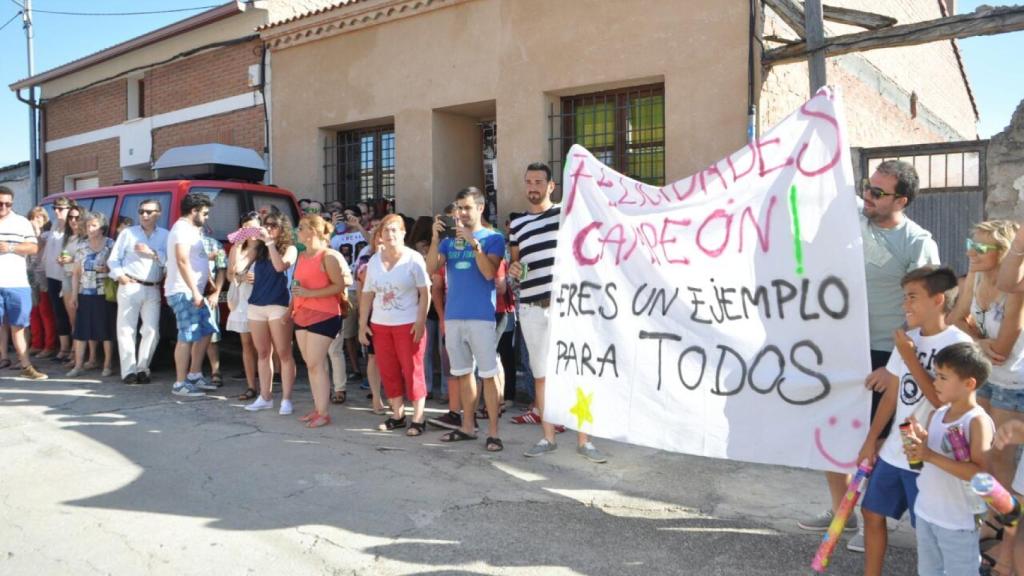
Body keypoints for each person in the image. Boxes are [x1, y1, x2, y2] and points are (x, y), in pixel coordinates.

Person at [799, 160, 940, 551]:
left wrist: (895, 365)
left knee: (874, 439)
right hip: (840, 346)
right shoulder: (851, 224)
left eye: (878, 193)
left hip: (885, 351)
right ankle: (839, 512)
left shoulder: (917, 242)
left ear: (902, 200)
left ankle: (872, 520)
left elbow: (925, 311)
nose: (868, 196)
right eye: (867, 187)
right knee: (832, 430)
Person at [855, 266, 971, 576]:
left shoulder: (958, 345)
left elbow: (942, 402)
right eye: (904, 297)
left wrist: (909, 356)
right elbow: (892, 395)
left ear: (937, 300)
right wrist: (870, 440)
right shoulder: (908, 339)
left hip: (931, 456)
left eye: (912, 297)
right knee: (871, 512)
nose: (905, 305)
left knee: (928, 531)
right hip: (895, 450)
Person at [512, 163, 607, 463]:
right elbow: (518, 264)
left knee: (578, 373)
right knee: (541, 377)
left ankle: (585, 440)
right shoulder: (517, 225)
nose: (533, 187)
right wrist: (514, 270)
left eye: (539, 181)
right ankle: (548, 437)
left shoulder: (566, 215)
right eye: (528, 181)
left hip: (565, 306)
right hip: (530, 307)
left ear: (552, 186)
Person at [903, 341, 994, 576]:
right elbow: (927, 461)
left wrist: (930, 455)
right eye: (936, 376)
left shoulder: (976, 421)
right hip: (927, 512)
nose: (935, 383)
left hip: (958, 522)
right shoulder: (937, 414)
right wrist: (918, 446)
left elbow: (979, 474)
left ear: (969, 383)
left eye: (943, 377)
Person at [427, 186, 505, 451]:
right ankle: (468, 426)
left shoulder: (494, 238)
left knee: (488, 375)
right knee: (462, 374)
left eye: (467, 207)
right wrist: (436, 240)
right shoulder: (449, 241)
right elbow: (430, 269)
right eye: (459, 207)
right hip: (454, 316)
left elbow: (488, 273)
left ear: (480, 208)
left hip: (481, 317)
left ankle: (493, 432)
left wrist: (474, 244)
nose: (461, 213)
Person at [359, 214, 431, 435]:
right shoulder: (374, 261)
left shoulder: (414, 258)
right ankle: (398, 415)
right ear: (379, 235)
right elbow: (367, 294)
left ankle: (418, 418)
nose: (389, 234)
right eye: (385, 230)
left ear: (402, 233)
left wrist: (420, 321)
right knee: (388, 370)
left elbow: (425, 292)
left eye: (394, 230)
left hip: (407, 324)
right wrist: (363, 324)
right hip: (380, 325)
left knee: (412, 370)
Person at [293, 214, 350, 428]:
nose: (297, 232)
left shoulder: (329, 256)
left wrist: (310, 292)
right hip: (302, 313)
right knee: (312, 365)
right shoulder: (301, 256)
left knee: (316, 364)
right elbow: (297, 286)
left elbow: (339, 286)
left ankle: (323, 412)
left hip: (325, 314)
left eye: (300, 228)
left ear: (313, 233)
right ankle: (318, 408)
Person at [108, 198, 168, 384]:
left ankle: (143, 367)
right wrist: (120, 277)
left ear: (158, 213)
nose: (144, 215)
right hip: (130, 284)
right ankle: (129, 371)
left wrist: (152, 253)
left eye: (149, 212)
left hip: (153, 287)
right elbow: (113, 259)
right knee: (126, 330)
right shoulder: (128, 233)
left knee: (151, 330)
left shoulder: (165, 235)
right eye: (141, 211)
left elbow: (169, 262)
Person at [164, 193, 219, 397]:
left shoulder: (192, 229)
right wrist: (195, 291)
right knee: (186, 335)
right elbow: (182, 260)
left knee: (206, 330)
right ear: (194, 211)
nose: (206, 217)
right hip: (184, 291)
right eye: (204, 213)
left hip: (195, 290)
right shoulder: (181, 230)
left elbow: (196, 259)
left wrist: (207, 281)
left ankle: (194, 374)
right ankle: (180, 383)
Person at [243, 212, 298, 414]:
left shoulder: (289, 248)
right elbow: (238, 269)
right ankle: (265, 396)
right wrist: (246, 240)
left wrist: (269, 244)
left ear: (282, 228)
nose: (269, 228)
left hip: (279, 304)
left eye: (273, 225)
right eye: (266, 225)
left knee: (284, 353)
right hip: (256, 304)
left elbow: (280, 266)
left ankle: (286, 399)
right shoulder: (258, 248)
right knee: (263, 353)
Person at [0, 187, 46, 380]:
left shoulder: (21, 223)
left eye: (8, 204)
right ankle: (4, 357)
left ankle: (25, 365)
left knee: (19, 326)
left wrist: (9, 247)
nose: (3, 207)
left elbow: (34, 247)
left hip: (16, 282)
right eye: (0, 203)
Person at [66, 212, 115, 378]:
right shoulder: (81, 246)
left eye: (94, 225)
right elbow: (76, 273)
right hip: (85, 292)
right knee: (81, 330)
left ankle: (107, 365)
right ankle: (78, 365)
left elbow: (118, 266)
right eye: (88, 226)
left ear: (102, 228)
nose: (90, 229)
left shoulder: (110, 244)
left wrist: (109, 269)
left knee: (106, 330)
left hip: (105, 293)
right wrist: (74, 296)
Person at [227, 212, 260, 401]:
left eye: (253, 226)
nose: (250, 231)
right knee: (246, 344)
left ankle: (267, 384)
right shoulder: (236, 248)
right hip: (242, 297)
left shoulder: (266, 248)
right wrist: (239, 245)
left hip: (262, 297)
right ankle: (250, 386)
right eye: (245, 227)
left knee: (264, 345)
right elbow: (232, 274)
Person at [40, 197, 74, 362]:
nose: (58, 211)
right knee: (58, 312)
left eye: (61, 208)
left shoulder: (72, 227)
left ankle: (75, 349)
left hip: (67, 275)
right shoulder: (54, 225)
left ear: (70, 209)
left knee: (71, 313)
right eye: (55, 208)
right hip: (52, 274)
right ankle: (64, 348)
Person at [26, 207, 54, 358]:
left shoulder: (46, 234)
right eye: (33, 218)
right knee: (33, 311)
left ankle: (49, 345)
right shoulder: (26, 234)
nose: (35, 221)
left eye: (39, 218)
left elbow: (38, 246)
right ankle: (36, 343)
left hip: (43, 275)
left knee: (45, 311)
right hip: (29, 275)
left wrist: (35, 230)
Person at [201, 230, 227, 387]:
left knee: (212, 336)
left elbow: (222, 269)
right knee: (188, 336)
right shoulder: (180, 241)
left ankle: (215, 371)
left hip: (208, 293)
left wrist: (216, 293)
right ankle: (192, 373)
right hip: (187, 293)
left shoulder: (214, 243)